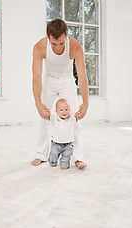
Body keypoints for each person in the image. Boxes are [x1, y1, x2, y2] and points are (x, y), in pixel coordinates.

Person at [31, 18, 89, 169]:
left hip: (67, 79)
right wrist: (38, 102)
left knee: (75, 117)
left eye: (61, 43)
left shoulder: (75, 46)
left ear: (66, 36)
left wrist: (86, 102)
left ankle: (78, 156)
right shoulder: (40, 47)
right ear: (48, 38)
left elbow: (82, 76)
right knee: (44, 115)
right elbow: (36, 77)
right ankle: (41, 154)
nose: (57, 47)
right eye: (54, 44)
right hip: (49, 79)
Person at [48, 98, 77, 170]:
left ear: (70, 110)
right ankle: (52, 162)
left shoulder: (72, 118)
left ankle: (64, 163)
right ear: (56, 111)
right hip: (56, 143)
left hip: (68, 144)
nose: (64, 112)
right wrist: (45, 113)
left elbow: (78, 116)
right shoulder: (54, 118)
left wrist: (80, 113)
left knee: (67, 155)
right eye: (61, 110)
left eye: (66, 109)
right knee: (53, 155)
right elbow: (45, 116)